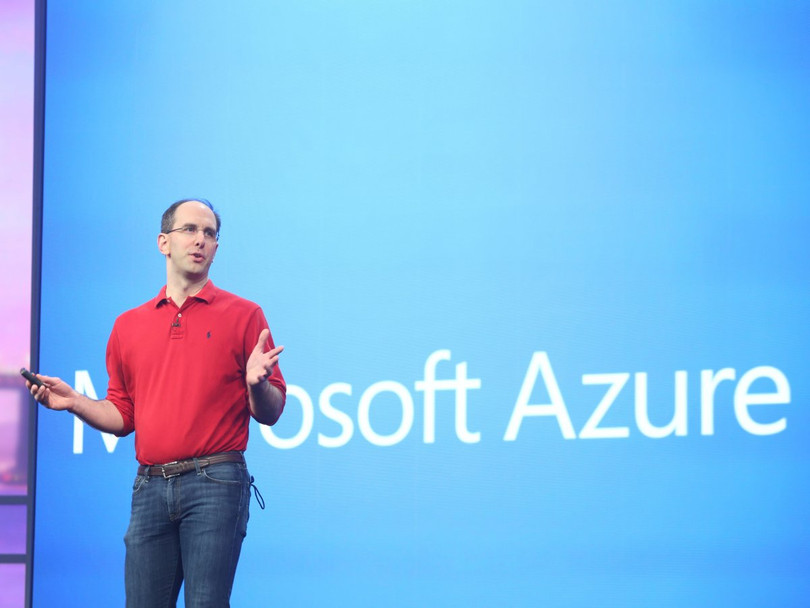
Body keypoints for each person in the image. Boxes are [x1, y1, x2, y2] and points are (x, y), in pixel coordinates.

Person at [26, 198, 286, 608]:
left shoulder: (245, 315)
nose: (200, 240)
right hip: (149, 486)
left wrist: (258, 385)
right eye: (190, 229)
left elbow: (271, 412)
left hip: (216, 482)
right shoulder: (128, 325)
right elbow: (122, 415)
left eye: (210, 233)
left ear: (216, 248)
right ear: (163, 242)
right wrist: (74, 402)